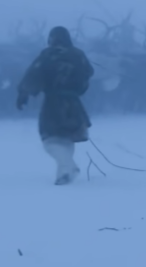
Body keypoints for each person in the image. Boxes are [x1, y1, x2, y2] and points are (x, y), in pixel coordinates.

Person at [16, 26, 94, 185]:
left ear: (51, 39)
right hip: (74, 103)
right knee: (66, 138)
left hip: (53, 103)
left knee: (50, 140)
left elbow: (34, 75)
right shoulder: (78, 54)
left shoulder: (47, 55)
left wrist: (23, 93)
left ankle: (68, 167)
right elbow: (88, 72)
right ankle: (63, 174)